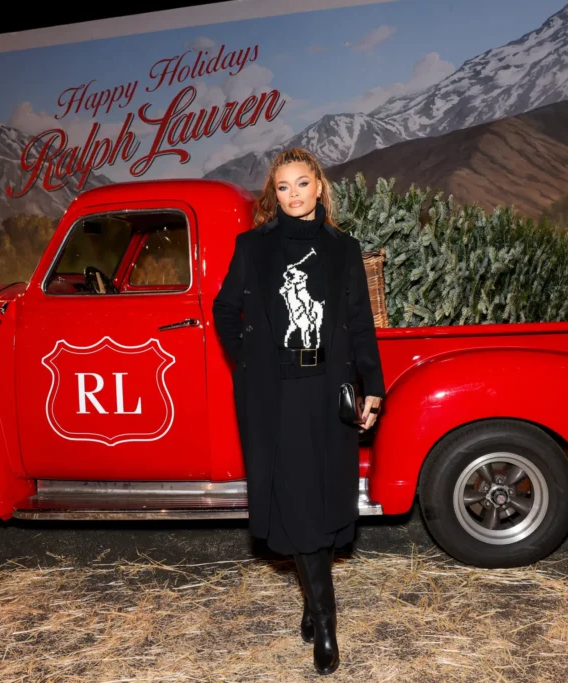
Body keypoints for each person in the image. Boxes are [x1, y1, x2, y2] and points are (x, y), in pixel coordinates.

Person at [212, 147, 385, 675]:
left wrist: (372, 387)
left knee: (324, 502)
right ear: (274, 192)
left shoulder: (341, 249)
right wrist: (249, 361)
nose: (293, 195)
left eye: (302, 183)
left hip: (326, 391)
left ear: (319, 187)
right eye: (282, 186)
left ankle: (311, 602)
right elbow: (225, 309)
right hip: (276, 395)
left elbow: (359, 324)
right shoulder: (253, 246)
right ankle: (327, 626)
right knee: (297, 503)